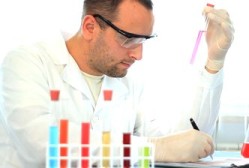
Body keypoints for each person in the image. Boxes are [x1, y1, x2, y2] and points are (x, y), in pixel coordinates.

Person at [0, 0, 234, 167]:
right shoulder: (27, 63)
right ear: (90, 27)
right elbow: (41, 143)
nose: (138, 55)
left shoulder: (126, 82)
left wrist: (214, 62)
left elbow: (188, 141)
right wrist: (154, 149)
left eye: (144, 40)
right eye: (129, 39)